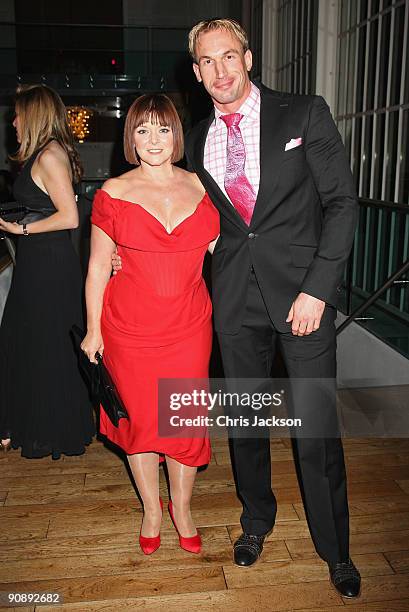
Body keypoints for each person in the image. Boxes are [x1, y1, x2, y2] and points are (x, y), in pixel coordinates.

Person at [183, 19, 361, 597]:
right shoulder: (194, 136)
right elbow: (195, 218)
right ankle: (256, 521)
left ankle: (336, 549)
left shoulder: (304, 112)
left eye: (228, 57)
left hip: (303, 298)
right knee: (248, 425)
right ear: (196, 71)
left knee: (315, 431)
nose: (220, 71)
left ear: (249, 58)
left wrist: (318, 290)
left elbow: (340, 204)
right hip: (235, 302)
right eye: (207, 62)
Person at [81, 93, 219, 555]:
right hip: (128, 330)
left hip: (189, 326)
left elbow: (232, 251)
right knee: (141, 425)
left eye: (162, 129)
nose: (153, 140)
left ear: (176, 134)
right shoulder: (113, 192)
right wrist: (93, 329)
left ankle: (182, 508)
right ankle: (151, 509)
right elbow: (99, 266)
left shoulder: (202, 186)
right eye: (143, 130)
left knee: (180, 422)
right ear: (131, 138)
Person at [0, 84, 95, 458]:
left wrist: (19, 229)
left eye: (19, 113)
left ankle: (44, 428)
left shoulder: (49, 156)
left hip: (49, 267)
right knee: (36, 345)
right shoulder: (45, 154)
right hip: (42, 263)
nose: (13, 120)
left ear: (34, 115)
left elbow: (69, 217)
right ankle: (27, 424)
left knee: (42, 345)